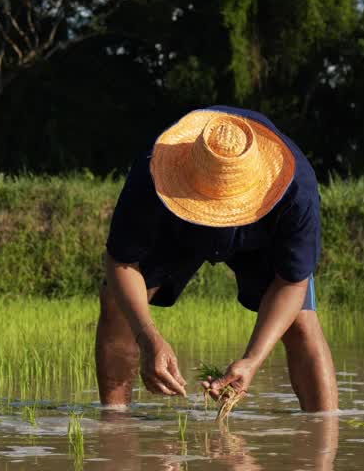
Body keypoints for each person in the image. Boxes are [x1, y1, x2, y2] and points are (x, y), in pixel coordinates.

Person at [94, 105, 338, 411]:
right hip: (176, 225)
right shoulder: (152, 171)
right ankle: (115, 429)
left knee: (301, 321)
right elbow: (121, 262)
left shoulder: (295, 190)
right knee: (116, 304)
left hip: (259, 235)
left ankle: (323, 434)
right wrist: (147, 337)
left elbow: (292, 282)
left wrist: (252, 360)